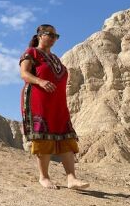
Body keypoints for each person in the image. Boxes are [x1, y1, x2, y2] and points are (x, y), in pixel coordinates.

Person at [19, 24, 89, 190]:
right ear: (39, 35)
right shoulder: (31, 53)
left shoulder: (56, 58)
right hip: (38, 99)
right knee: (43, 134)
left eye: (55, 36)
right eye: (49, 34)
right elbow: (24, 74)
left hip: (57, 101)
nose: (52, 38)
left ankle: (72, 178)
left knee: (65, 135)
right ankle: (44, 177)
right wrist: (41, 81)